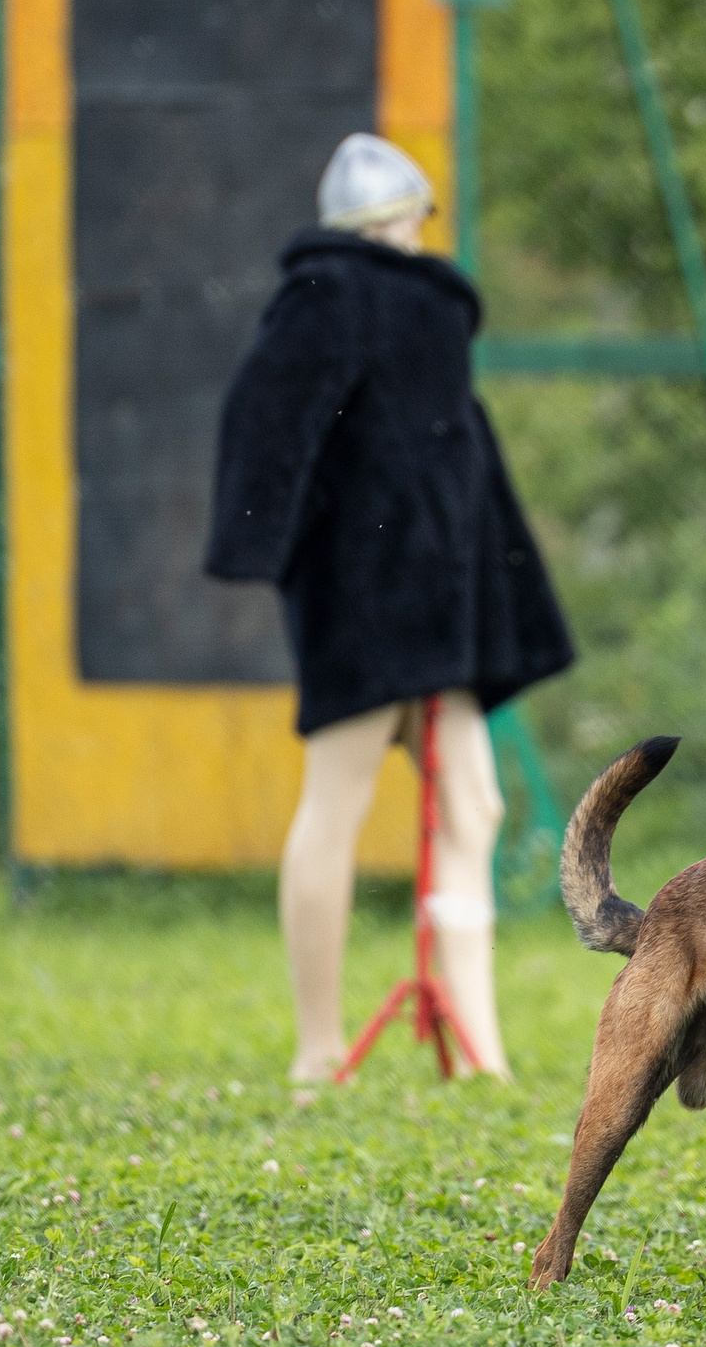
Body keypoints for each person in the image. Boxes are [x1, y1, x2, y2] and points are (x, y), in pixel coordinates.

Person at [205, 133, 574, 1083]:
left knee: (473, 804)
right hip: (367, 607)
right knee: (338, 797)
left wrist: (490, 588)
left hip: (439, 609)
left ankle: (481, 1049)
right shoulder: (327, 295)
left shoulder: (428, 311)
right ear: (399, 215)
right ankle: (317, 1045)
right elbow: (270, 421)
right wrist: (264, 543)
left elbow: (456, 460)